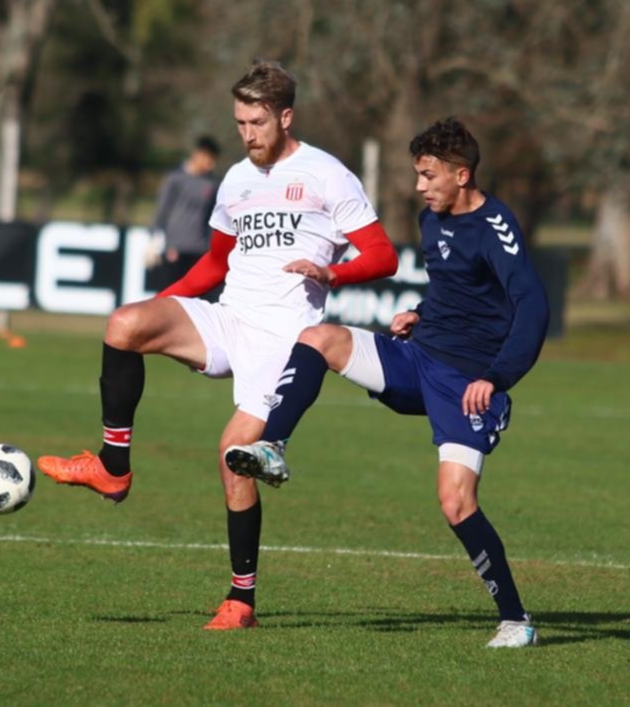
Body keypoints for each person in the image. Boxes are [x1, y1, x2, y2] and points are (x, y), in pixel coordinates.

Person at [37, 60, 399, 630]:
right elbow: (214, 262)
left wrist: (334, 274)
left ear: (285, 116)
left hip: (284, 343)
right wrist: (163, 306)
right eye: (239, 123)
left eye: (257, 122)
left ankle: (241, 601)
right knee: (126, 324)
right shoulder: (236, 179)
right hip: (229, 318)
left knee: (234, 461)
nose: (248, 134)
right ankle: (112, 468)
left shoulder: (328, 175)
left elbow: (384, 255)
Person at [225, 118, 549, 647]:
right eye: (417, 174)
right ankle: (273, 446)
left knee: (455, 503)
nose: (419, 186)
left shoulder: (495, 227)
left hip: (466, 384)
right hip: (416, 360)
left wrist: (496, 377)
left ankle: (516, 621)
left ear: (461, 174)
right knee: (319, 338)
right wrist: (419, 313)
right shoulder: (432, 220)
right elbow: (460, 293)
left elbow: (531, 308)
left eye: (428, 175)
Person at [152, 136, 221, 287]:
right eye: (209, 159)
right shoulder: (175, 179)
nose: (211, 164)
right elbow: (162, 211)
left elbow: (212, 217)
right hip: (175, 249)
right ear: (198, 155)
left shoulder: (213, 184)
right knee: (169, 297)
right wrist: (157, 241)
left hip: (200, 250)